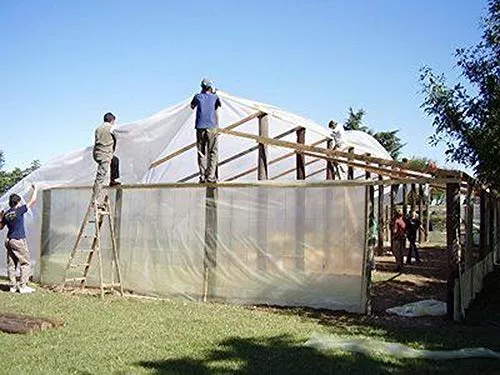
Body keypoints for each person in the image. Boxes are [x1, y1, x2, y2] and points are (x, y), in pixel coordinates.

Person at [0, 184, 37, 293]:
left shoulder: (7, 214)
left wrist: (1, 217)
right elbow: (33, 200)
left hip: (9, 240)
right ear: (17, 202)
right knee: (25, 263)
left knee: (12, 264)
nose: (21, 203)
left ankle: (12, 286)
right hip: (18, 240)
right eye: (20, 201)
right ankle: (23, 286)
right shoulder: (19, 211)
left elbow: (1, 227)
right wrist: (36, 189)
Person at [191, 79, 221, 183]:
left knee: (201, 152)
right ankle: (211, 176)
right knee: (212, 151)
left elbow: (192, 106)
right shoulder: (215, 97)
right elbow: (216, 106)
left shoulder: (198, 96)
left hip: (200, 127)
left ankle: (202, 176)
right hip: (212, 127)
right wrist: (214, 94)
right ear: (210, 87)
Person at [92, 112, 117, 208]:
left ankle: (113, 180)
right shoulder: (111, 128)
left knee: (115, 161)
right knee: (100, 177)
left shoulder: (98, 128)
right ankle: (94, 199)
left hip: (97, 154)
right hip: (104, 155)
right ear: (112, 120)